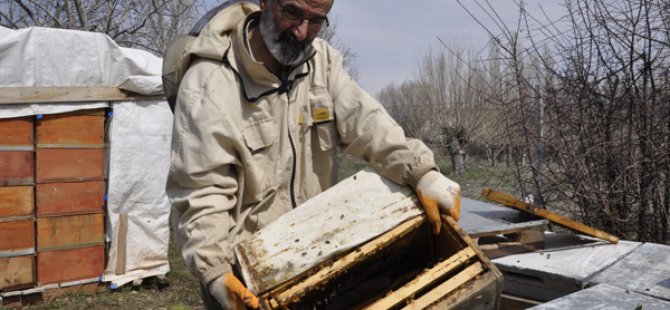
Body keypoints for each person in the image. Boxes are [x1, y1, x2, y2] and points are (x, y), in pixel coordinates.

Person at [166, 0, 461, 309]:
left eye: (316, 20)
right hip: (246, 275)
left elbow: (369, 124)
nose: (302, 31)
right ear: (265, 2)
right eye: (292, 12)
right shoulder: (209, 84)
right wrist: (215, 272)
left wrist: (422, 173)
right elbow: (201, 191)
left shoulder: (322, 64)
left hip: (314, 255)